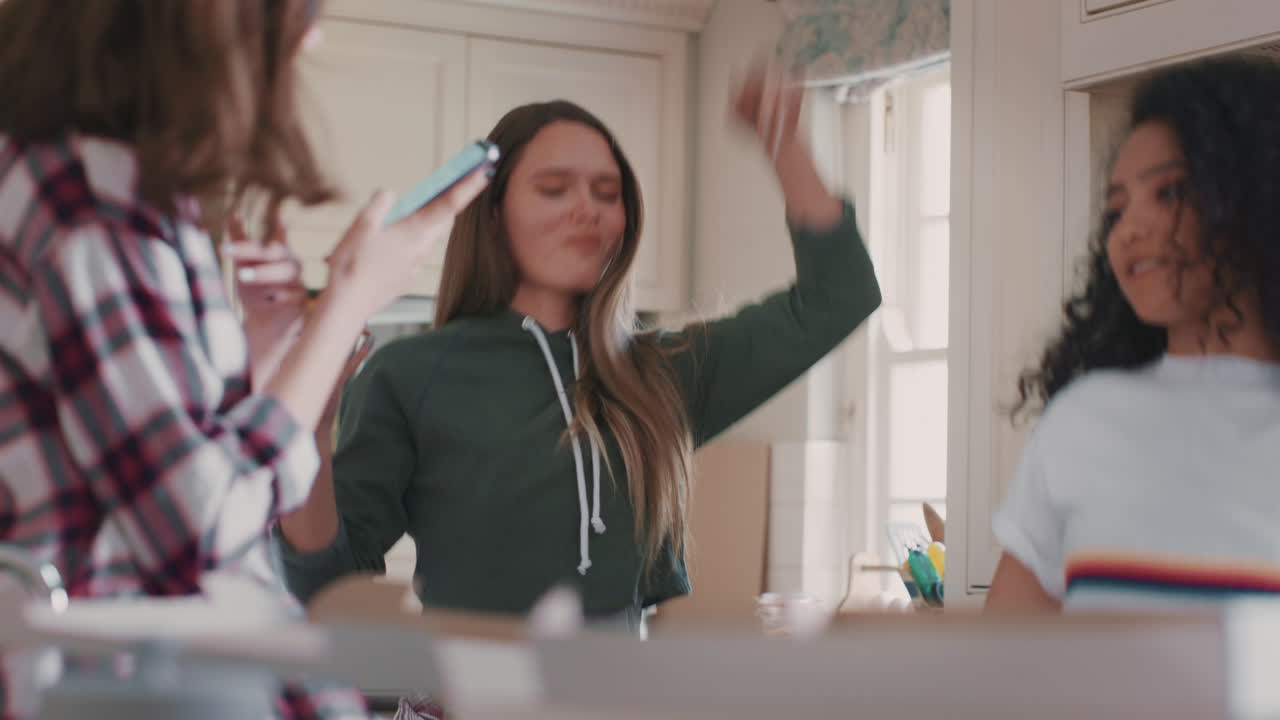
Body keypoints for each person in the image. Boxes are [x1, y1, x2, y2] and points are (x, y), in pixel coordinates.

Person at [0, 0, 487, 716]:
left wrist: (265, 360)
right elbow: (195, 527)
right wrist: (349, 302)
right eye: (295, 10)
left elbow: (154, 464)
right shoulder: (87, 200)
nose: (312, 33)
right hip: (131, 680)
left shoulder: (109, 187)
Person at [277, 64, 883, 628]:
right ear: (492, 213)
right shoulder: (408, 376)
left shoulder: (661, 374)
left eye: (606, 191)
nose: (587, 210)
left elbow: (841, 297)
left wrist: (784, 143)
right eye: (553, 188)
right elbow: (329, 588)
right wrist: (311, 432)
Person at [985, 56, 1280, 614]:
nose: (1130, 231)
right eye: (1116, 210)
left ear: (1256, 200)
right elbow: (1003, 668)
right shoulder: (1081, 420)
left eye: (1168, 193)